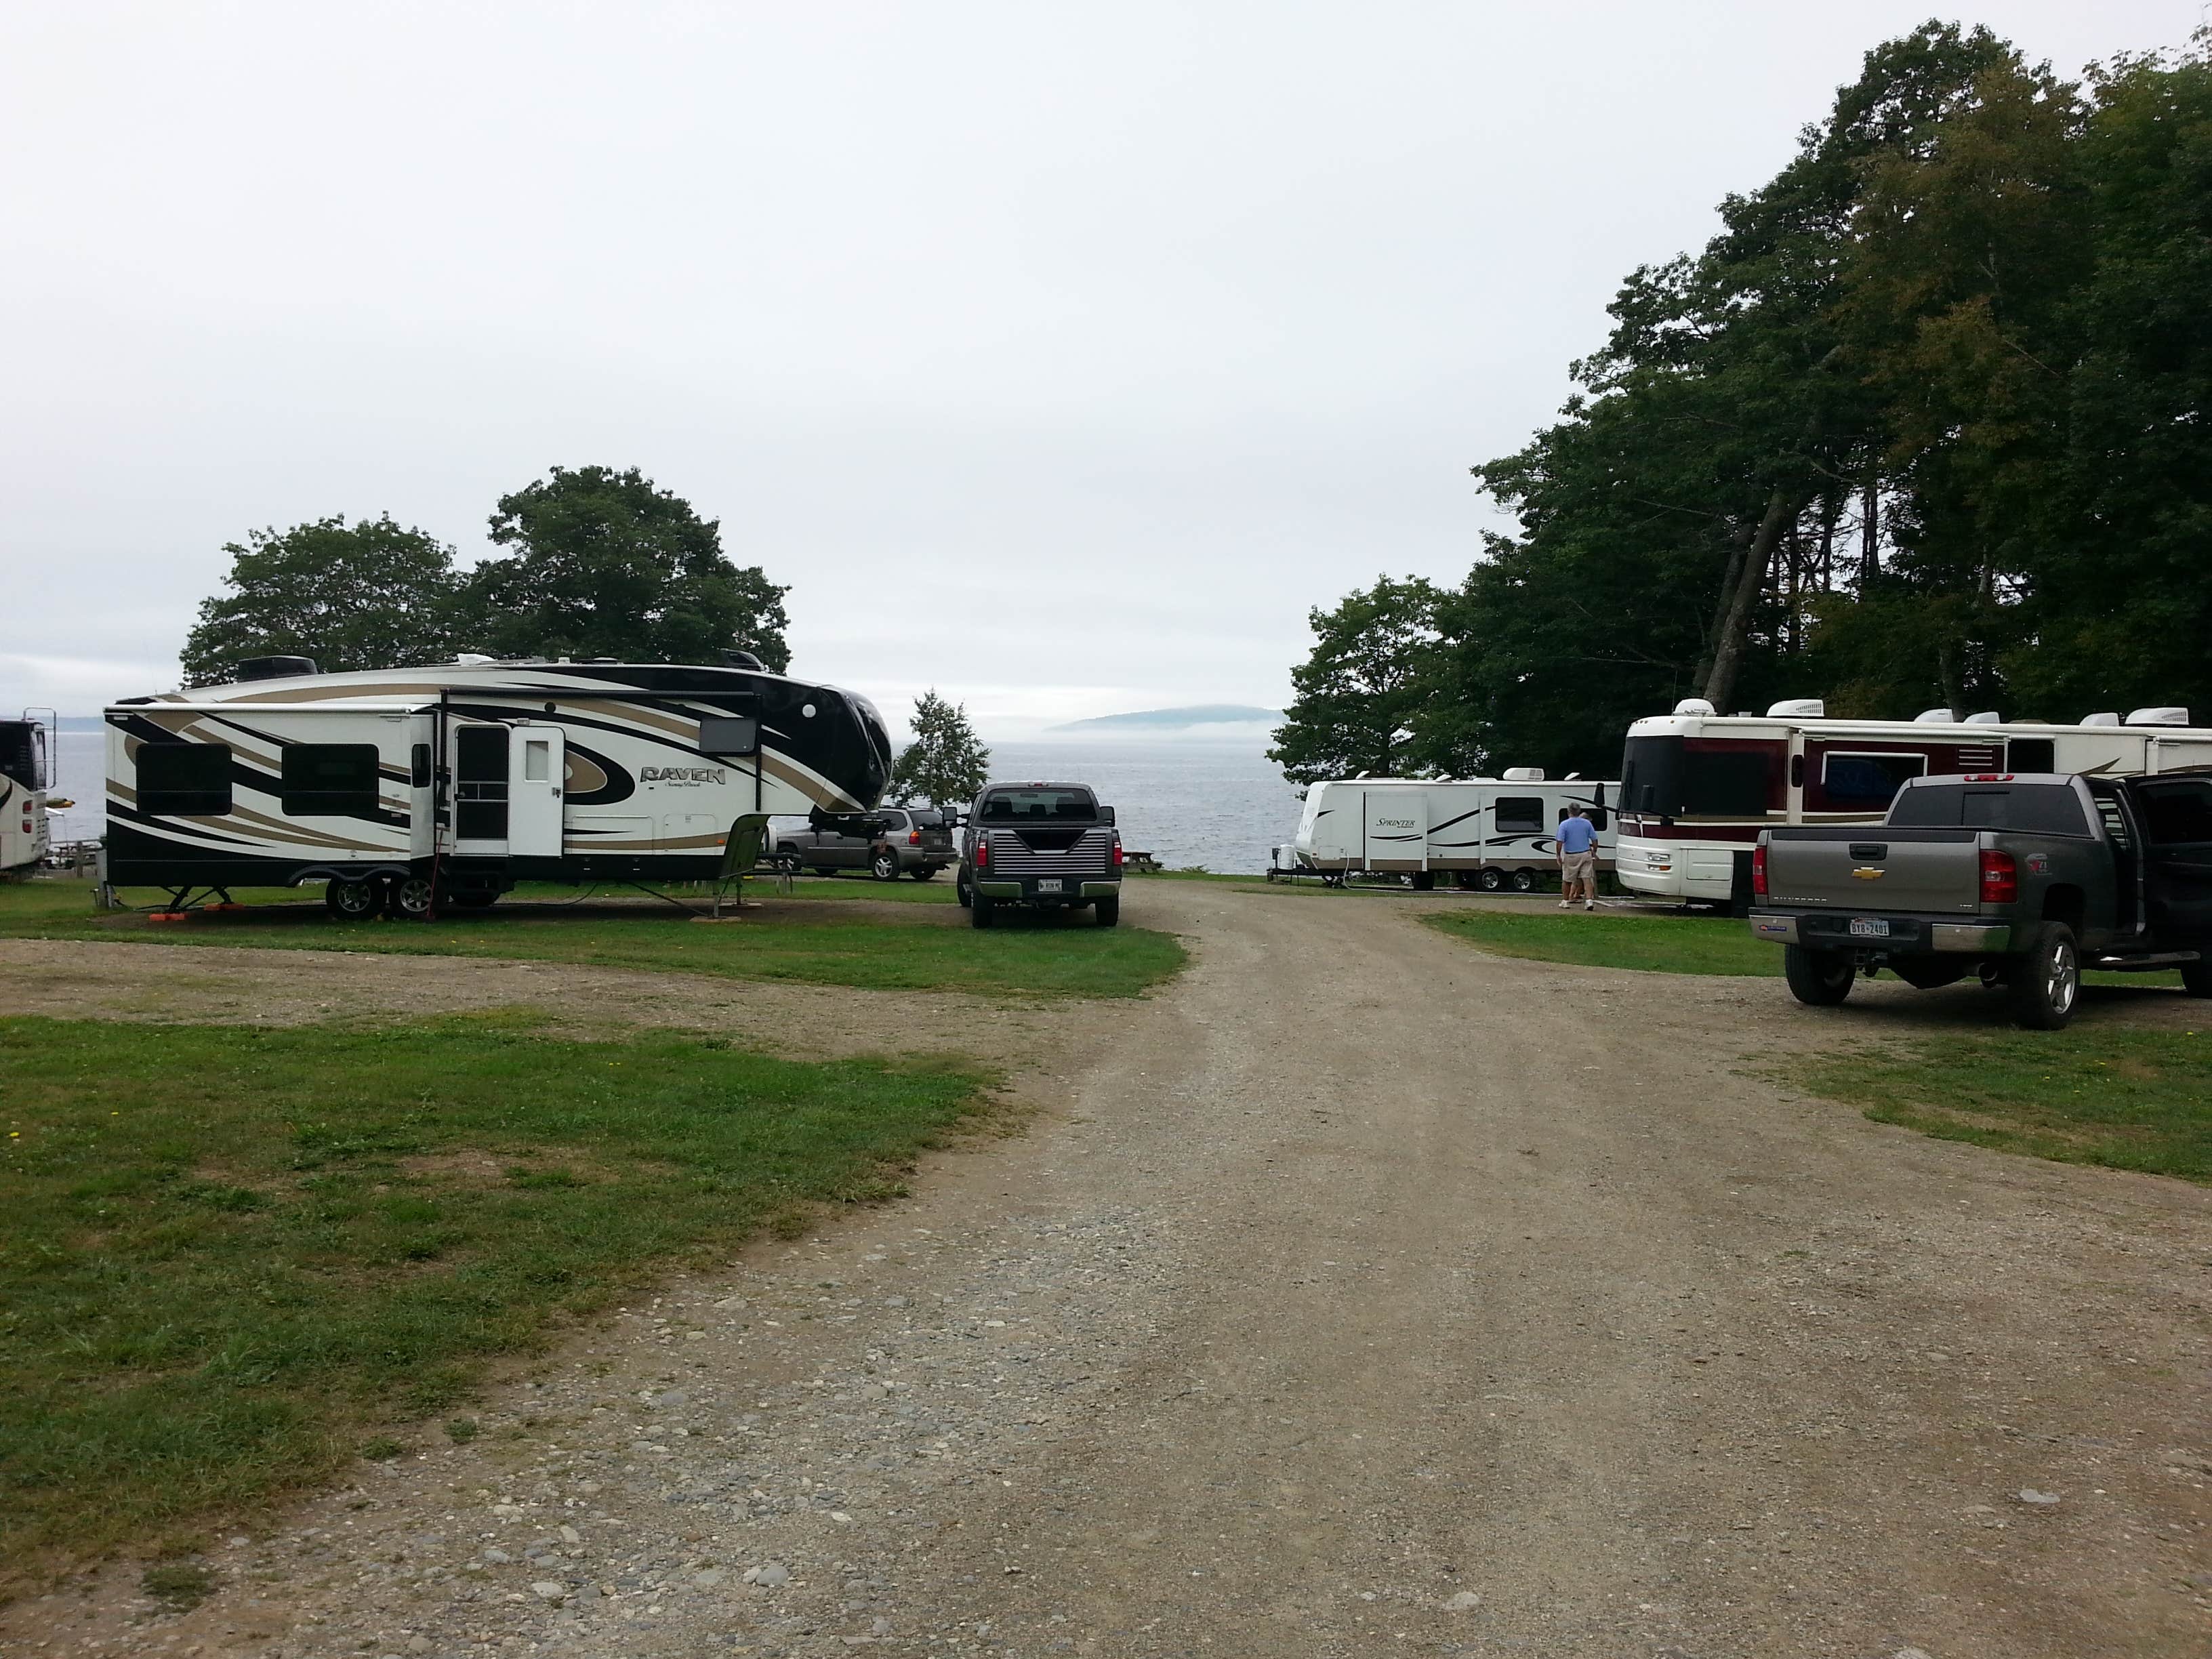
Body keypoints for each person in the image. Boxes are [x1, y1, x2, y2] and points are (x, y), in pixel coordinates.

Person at [1556, 804, 1598, 911]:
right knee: (1587, 878)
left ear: (1568, 811)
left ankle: (1565, 901)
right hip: (1585, 853)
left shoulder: (1564, 824)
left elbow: (1560, 841)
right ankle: (1589, 901)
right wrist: (1594, 851)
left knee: (1567, 879)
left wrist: (1558, 855)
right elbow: (1594, 840)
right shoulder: (1587, 823)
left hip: (1571, 855)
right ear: (1579, 811)